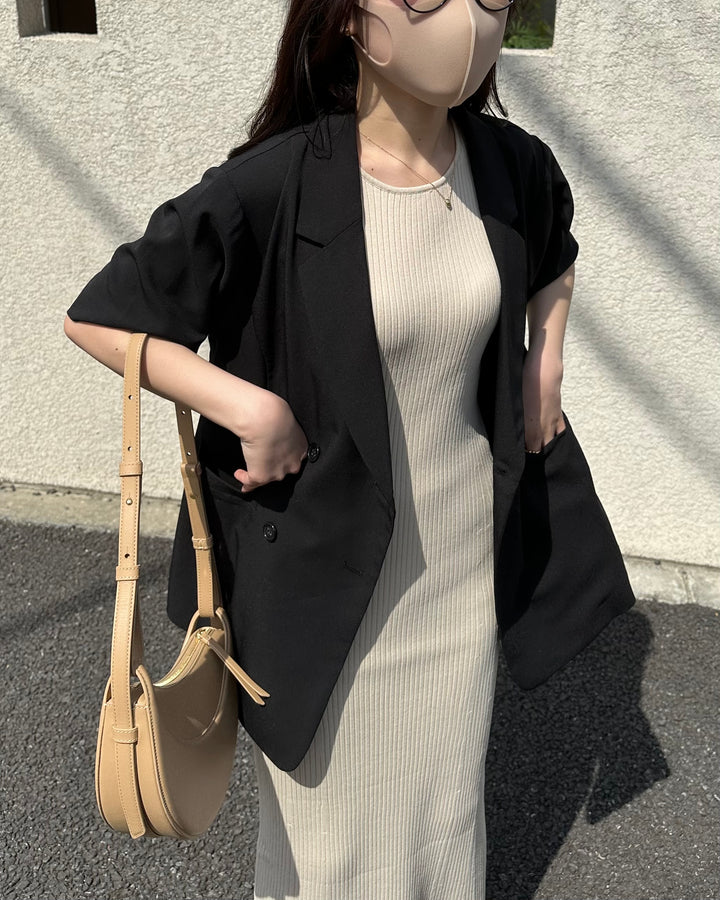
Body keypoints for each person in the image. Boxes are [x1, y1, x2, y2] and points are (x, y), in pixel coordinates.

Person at [64, 0, 635, 896]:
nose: (470, 24)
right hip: (323, 583)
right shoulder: (277, 183)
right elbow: (100, 318)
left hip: (458, 574)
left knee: (445, 818)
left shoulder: (511, 164)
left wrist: (544, 362)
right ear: (346, 18)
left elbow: (555, 248)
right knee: (326, 844)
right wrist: (244, 404)